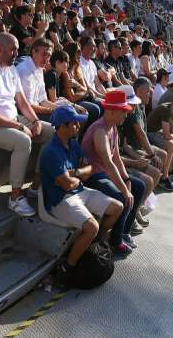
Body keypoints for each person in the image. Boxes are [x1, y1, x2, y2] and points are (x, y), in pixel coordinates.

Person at [0, 33, 55, 217]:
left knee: (51, 133)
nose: (17, 53)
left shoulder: (10, 68)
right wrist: (19, 127)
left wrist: (35, 120)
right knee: (24, 141)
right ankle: (15, 198)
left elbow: (22, 103)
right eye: (13, 50)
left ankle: (35, 186)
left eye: (17, 49)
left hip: (10, 118)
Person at [40, 105, 123, 287]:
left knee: (117, 207)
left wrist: (75, 173)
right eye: (75, 123)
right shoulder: (51, 152)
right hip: (61, 200)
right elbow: (66, 185)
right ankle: (67, 268)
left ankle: (97, 244)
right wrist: (77, 177)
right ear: (63, 125)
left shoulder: (73, 144)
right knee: (91, 226)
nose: (79, 126)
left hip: (79, 192)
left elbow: (90, 169)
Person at [81, 90, 147, 256]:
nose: (125, 114)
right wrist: (125, 190)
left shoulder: (113, 129)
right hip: (93, 176)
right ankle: (115, 241)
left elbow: (116, 157)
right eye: (122, 111)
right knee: (122, 196)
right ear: (110, 111)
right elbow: (109, 164)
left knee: (139, 186)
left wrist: (126, 178)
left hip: (105, 174)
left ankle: (123, 231)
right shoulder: (100, 131)